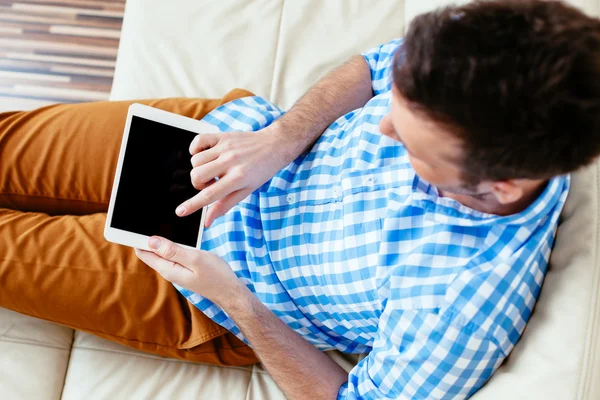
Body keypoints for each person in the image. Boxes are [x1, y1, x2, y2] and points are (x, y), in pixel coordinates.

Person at [1, 0, 599, 398]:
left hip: (200, 290)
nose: (384, 129)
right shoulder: (477, 57)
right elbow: (370, 69)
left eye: (413, 142)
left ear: (499, 186)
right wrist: (279, 139)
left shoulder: (460, 308)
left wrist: (235, 299)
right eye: (396, 108)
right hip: (223, 141)